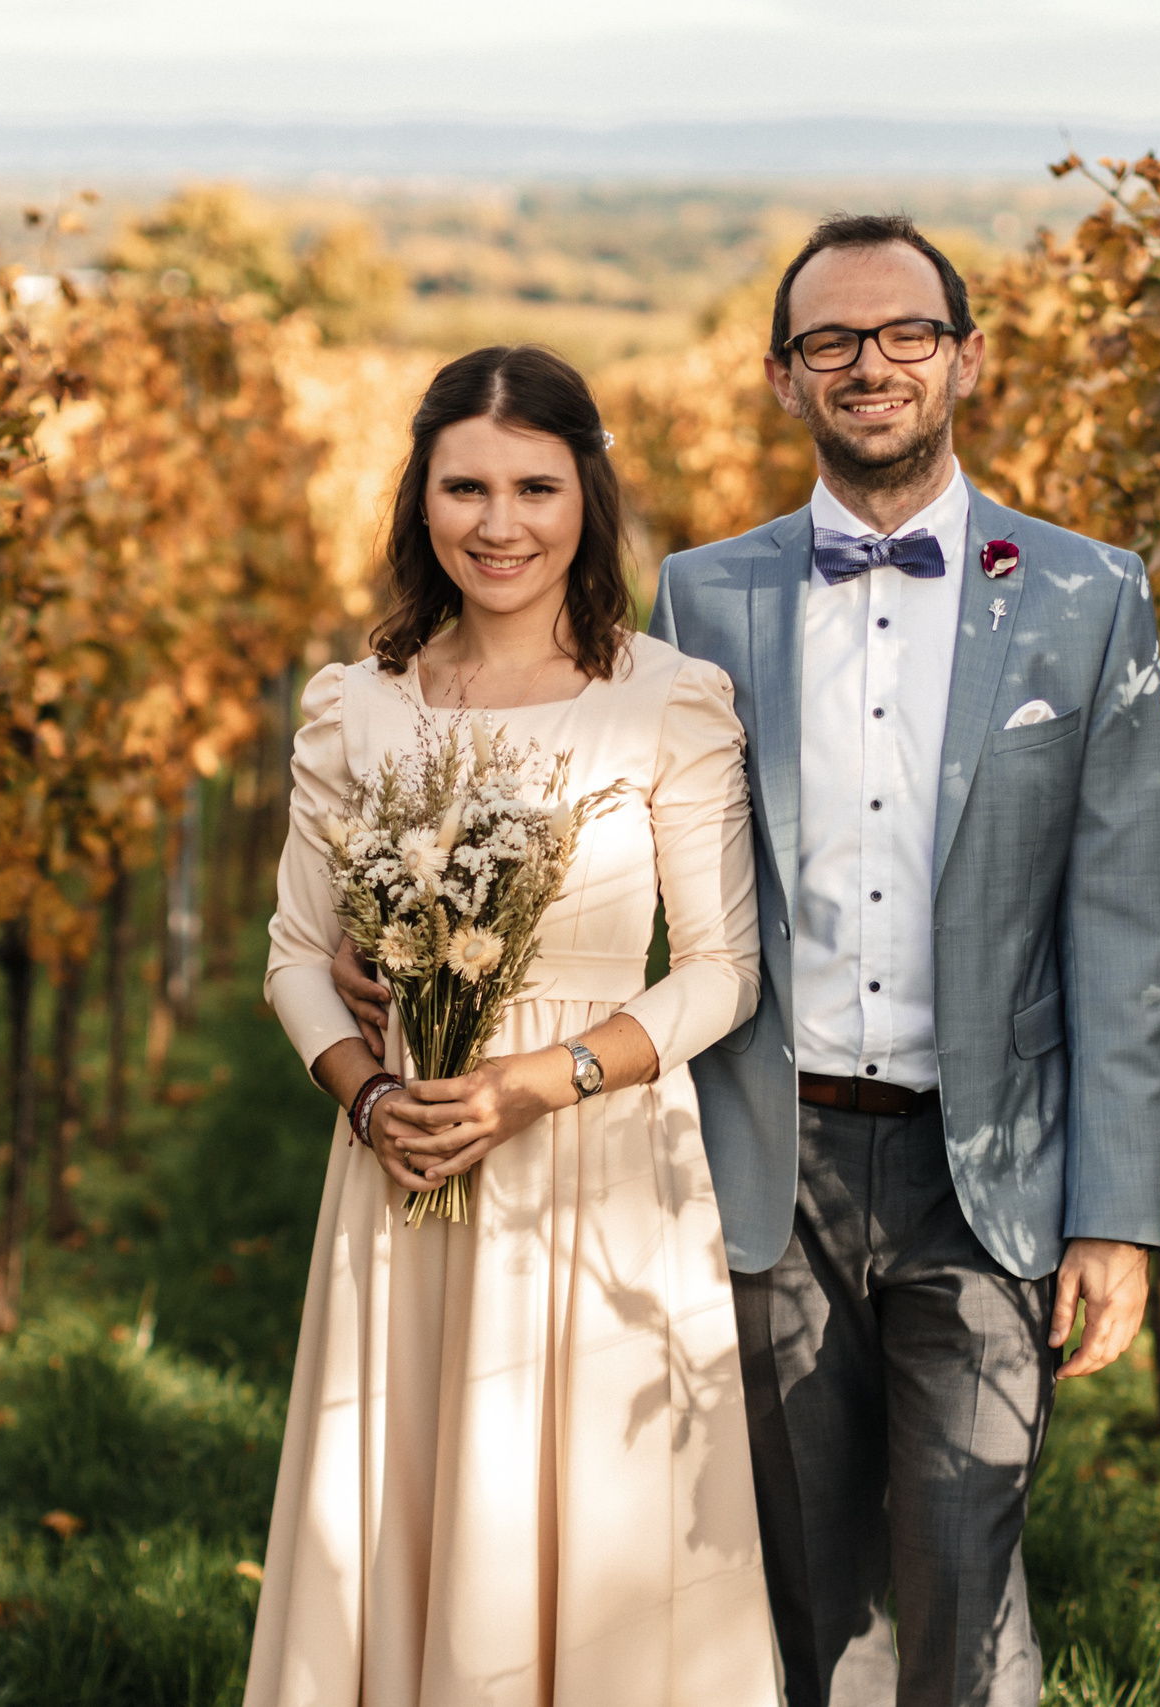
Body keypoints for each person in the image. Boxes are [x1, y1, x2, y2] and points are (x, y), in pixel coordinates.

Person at [643, 213, 1160, 1705]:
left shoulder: (1088, 596)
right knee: (806, 1594)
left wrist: (1117, 1216)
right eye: (832, 342)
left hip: (985, 1164)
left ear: (966, 360)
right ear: (782, 379)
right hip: (773, 1153)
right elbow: (640, 871)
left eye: (905, 335)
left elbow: (1124, 925)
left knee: (960, 1560)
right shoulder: (702, 597)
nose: (869, 365)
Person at [250, 344, 778, 1707]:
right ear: (420, 501)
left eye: (537, 487)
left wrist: (540, 1081)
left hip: (601, 1167)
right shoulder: (354, 705)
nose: (501, 523)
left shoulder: (668, 697)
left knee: (601, 1534)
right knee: (416, 1513)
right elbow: (296, 956)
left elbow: (721, 972)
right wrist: (372, 1098)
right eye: (466, 487)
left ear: (587, 499)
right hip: (405, 1168)